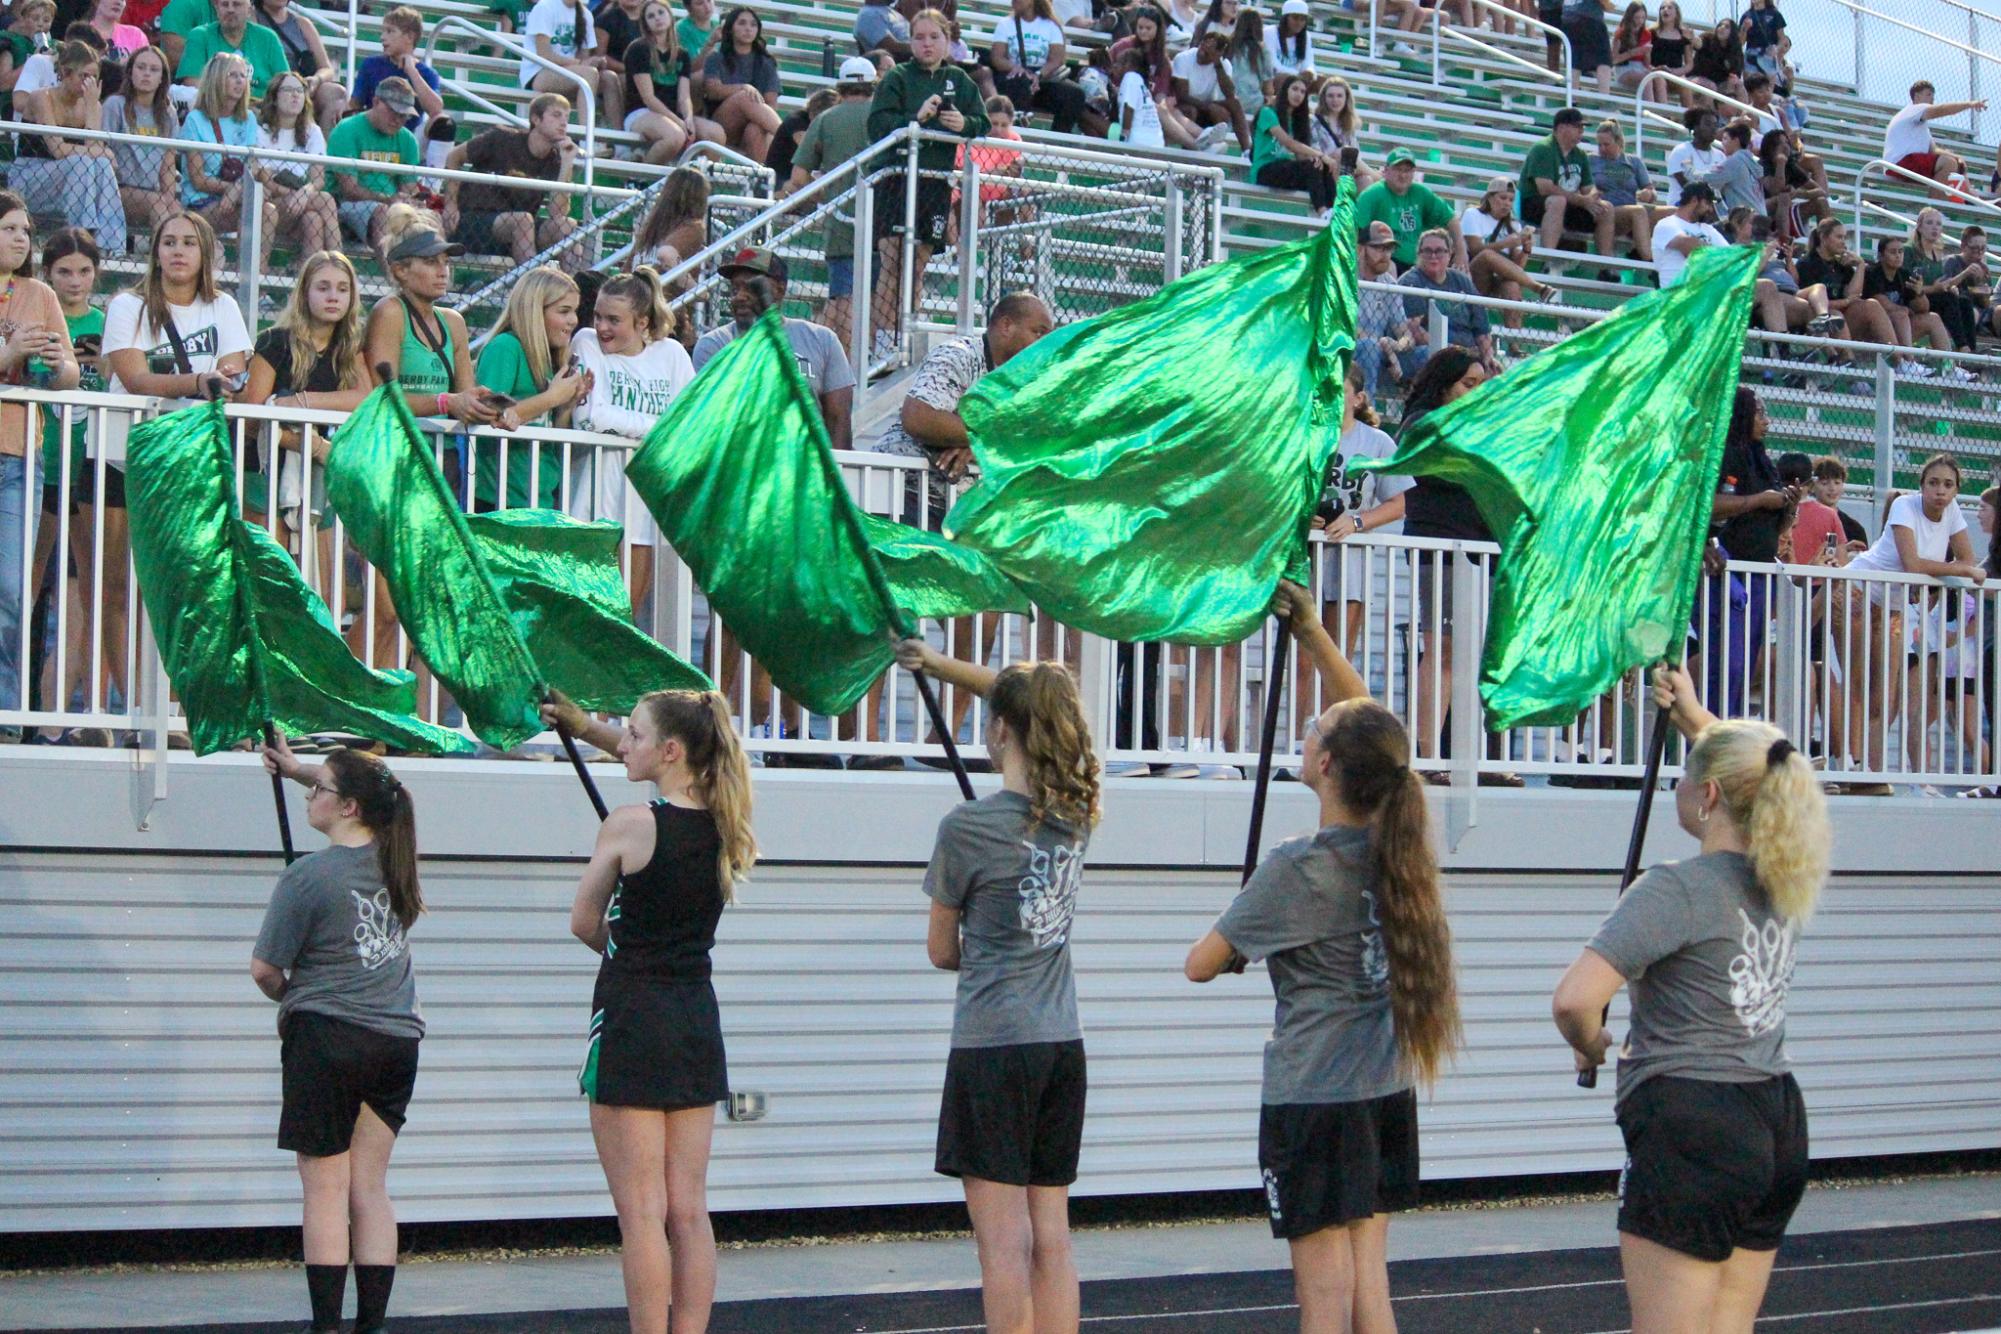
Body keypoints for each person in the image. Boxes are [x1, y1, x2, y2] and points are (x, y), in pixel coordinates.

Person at [1187, 579, 1459, 1334]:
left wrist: (1243, 938)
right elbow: (1381, 736)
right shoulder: (1402, 843)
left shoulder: (1296, 867)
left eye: (1312, 732)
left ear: (1329, 764)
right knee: (1368, 1286)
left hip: (1312, 1096)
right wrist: (1310, 634)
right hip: (1379, 1091)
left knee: (1321, 1301)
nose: (1301, 739)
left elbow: (1199, 962)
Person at [1553, 664, 1827, 1334]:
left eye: (1686, 776)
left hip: (1690, 1119)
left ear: (1706, 795)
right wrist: (1694, 717)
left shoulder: (1674, 888)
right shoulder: (1786, 871)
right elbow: (1759, 777)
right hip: (1773, 1116)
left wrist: (1592, 1044)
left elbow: (1573, 1000)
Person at [893, 637, 1100, 1334]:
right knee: (1051, 1235)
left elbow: (938, 950)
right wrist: (941, 666)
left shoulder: (967, 827)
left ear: (1001, 728)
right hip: (1059, 1044)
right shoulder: (1074, 816)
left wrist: (981, 952)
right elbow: (1031, 692)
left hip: (992, 1045)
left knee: (1000, 1245)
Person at [542, 687, 756, 1334]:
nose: (621, 743)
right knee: (687, 1208)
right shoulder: (727, 820)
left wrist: (624, 942)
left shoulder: (630, 823)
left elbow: (583, 923)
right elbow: (655, 760)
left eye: (632, 734)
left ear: (669, 750)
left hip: (633, 1014)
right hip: (694, 1017)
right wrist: (586, 727)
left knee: (640, 1210)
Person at [253, 738, 427, 1334]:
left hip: (327, 1037)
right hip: (395, 1039)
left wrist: (294, 996)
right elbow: (376, 795)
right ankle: (371, 1325)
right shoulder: (399, 864)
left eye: (320, 789)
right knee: (370, 1186)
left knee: (324, 1191)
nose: (311, 796)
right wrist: (301, 769)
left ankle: (326, 1326)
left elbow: (265, 970)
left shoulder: (307, 878)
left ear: (349, 807)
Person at [358, 206, 508, 663]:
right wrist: (448, 404)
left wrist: (486, 405)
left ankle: (405, 724)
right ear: (401, 270)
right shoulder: (389, 312)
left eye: (446, 261)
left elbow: (463, 393)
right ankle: (352, 712)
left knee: (424, 606)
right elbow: (383, 395)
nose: (444, 269)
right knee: (385, 609)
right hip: (395, 467)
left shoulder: (455, 323)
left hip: (440, 471)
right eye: (431, 261)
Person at [1837, 454, 1986, 777]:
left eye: (1948, 485)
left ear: (1957, 490)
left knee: (1885, 695)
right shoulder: (1905, 506)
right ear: (1921, 486)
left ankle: (1874, 776)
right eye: (1933, 483)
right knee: (1858, 683)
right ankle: (1847, 764)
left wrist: (1956, 568)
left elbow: (1969, 556)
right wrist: (1957, 568)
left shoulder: (1953, 512)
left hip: (1894, 607)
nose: (1940, 491)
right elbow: (1914, 565)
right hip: (1858, 591)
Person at [0, 195, 81, 737]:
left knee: (10, 586)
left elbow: (71, 377)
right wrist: (8, 355)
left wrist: (56, 364)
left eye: (25, 231)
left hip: (19, 454)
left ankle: (4, 707)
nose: (21, 239)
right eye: (8, 229)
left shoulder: (41, 294)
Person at [573, 267, 695, 615]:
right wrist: (660, 429)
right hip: (592, 503)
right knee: (586, 619)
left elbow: (686, 427)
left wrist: (636, 425)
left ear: (642, 322)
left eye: (614, 319)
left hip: (644, 509)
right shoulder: (585, 342)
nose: (601, 327)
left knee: (624, 620)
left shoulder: (671, 354)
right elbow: (590, 417)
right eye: (598, 316)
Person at [242, 250, 374, 568]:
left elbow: (364, 398)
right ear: (304, 293)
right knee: (273, 579)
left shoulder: (350, 348)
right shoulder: (274, 342)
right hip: (266, 471)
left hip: (319, 477)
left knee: (330, 596)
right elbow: (251, 418)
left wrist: (301, 402)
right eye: (323, 287)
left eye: (343, 289)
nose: (333, 297)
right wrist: (313, 445)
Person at [868, 9, 988, 354]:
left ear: (947, 41)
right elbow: (877, 126)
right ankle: (883, 345)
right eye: (919, 37)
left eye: (934, 37)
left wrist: (961, 124)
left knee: (918, 265)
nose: (927, 44)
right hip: (897, 178)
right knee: (892, 262)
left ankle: (906, 337)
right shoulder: (898, 77)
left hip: (934, 182)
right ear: (910, 42)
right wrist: (914, 120)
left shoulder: (961, 81)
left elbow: (981, 121)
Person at [27, 228, 106, 741]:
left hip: (91, 471)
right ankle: (23, 704)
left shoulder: (109, 323)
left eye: (84, 271)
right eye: (63, 272)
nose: (75, 282)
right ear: (47, 274)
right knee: (27, 587)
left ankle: (59, 717)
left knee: (83, 592)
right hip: (40, 463)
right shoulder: (36, 316)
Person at [469, 265, 587, 512]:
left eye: (574, 311)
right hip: (498, 498)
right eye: (564, 311)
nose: (573, 320)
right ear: (534, 311)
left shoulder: (550, 359)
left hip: (541, 498)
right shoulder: (506, 347)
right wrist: (551, 397)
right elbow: (487, 413)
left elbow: (552, 434)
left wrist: (566, 405)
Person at [1314, 364, 1411, 654]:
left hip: (1350, 563)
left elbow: (1401, 502)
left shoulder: (1376, 442)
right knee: (1303, 663)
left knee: (1337, 656)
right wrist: (1302, 518)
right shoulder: (1304, 437)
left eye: (1339, 391)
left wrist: (1355, 522)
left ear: (1357, 399)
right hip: (1304, 559)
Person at [790, 56, 880, 352]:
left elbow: (799, 177)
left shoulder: (825, 119)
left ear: (841, 87)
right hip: (884, 220)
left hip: (841, 221)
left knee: (844, 296)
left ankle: (845, 362)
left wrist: (828, 194)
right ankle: (871, 357)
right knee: (878, 294)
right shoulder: (886, 117)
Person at [11, 39, 128, 255]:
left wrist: (92, 108)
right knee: (83, 162)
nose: (89, 83)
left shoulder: (93, 106)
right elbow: (58, 149)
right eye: (84, 76)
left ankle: (112, 245)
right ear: (65, 73)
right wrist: (101, 152)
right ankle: (83, 238)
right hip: (30, 177)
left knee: (100, 165)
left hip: (71, 180)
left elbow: (97, 154)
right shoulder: (42, 98)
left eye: (93, 77)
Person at [443, 93, 581, 266]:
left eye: (567, 117)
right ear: (535, 119)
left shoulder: (556, 159)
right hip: (475, 222)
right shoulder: (501, 139)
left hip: (523, 235)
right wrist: (449, 204)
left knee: (567, 225)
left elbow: (557, 213)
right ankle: (532, 288)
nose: (564, 123)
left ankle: (579, 289)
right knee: (523, 220)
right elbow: (454, 157)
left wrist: (567, 163)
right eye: (556, 115)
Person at [178, 53, 277, 247]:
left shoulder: (248, 118)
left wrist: (238, 189)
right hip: (202, 201)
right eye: (233, 75)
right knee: (254, 211)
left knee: (268, 211)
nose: (240, 81)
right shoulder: (195, 120)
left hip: (238, 196)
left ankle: (259, 274)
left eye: (243, 75)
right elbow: (198, 180)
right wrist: (232, 189)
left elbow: (252, 164)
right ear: (216, 79)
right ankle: (244, 275)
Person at [1795, 219, 1909, 370]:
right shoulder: (1807, 264)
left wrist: (1860, 265)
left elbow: (1854, 296)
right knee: (1835, 314)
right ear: (1823, 238)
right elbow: (1809, 303)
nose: (1843, 242)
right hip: (1817, 326)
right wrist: (1844, 302)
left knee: (1871, 305)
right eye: (1839, 237)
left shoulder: (1842, 266)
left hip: (1844, 323)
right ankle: (1850, 365)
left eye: (1845, 237)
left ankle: (1900, 362)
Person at [326, 78, 422, 251]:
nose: (398, 120)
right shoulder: (348, 129)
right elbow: (348, 190)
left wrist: (405, 200)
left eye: (403, 115)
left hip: (389, 206)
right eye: (393, 112)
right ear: (376, 101)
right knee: (383, 213)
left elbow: (408, 188)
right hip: (344, 203)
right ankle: (393, 277)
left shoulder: (408, 140)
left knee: (430, 219)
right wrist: (387, 200)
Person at [253, 70, 338, 258]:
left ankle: (309, 279)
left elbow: (318, 179)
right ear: (274, 97)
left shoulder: (313, 132)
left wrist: (304, 193)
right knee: (326, 200)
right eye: (288, 90)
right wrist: (294, 195)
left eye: (300, 91)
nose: (295, 95)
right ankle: (341, 263)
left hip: (301, 202)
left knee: (314, 219)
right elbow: (265, 179)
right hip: (272, 203)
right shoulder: (261, 131)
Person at [624, 0, 719, 165]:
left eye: (661, 13)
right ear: (645, 23)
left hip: (673, 113)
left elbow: (684, 96)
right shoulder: (638, 49)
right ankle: (638, 180)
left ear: (670, 15)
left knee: (716, 133)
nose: (657, 18)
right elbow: (649, 98)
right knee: (675, 136)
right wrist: (678, 121)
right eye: (651, 16)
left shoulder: (681, 54)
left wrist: (688, 118)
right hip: (641, 112)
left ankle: (699, 183)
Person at [100, 44, 180, 238]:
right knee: (158, 205)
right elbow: (102, 150)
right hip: (118, 190)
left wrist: (170, 200)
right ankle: (159, 263)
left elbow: (168, 166)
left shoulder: (168, 114)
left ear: (162, 78)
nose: (146, 74)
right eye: (141, 67)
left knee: (180, 216)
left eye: (154, 70)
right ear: (130, 72)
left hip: (153, 192)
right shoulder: (114, 105)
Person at [990, 0, 1101, 137]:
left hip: (1044, 79)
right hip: (1013, 77)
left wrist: (1038, 75)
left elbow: (1057, 59)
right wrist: (1018, 69)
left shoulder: (1051, 26)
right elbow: (997, 57)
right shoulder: (1006, 24)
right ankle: (1015, 134)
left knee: (1075, 94)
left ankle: (1059, 140)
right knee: (1021, 83)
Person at [1865, 235, 1966, 379]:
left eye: (1900, 251)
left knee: (1933, 318)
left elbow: (1923, 308)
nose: (1898, 256)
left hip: (1900, 330)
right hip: (1876, 333)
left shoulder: (1905, 275)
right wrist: (1905, 310)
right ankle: (1908, 363)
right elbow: (1884, 305)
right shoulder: (1872, 273)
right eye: (1893, 252)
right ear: (1881, 255)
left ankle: (1949, 368)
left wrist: (1919, 292)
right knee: (1900, 314)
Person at [1399, 227, 1497, 375]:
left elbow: (1482, 330)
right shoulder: (1411, 282)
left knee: (1495, 370)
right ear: (1419, 254)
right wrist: (1454, 352)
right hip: (1433, 351)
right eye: (1427, 251)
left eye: (1439, 251)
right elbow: (1415, 331)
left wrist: (1488, 355)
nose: (1433, 256)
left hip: (1468, 353)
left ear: (1449, 254)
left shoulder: (1462, 281)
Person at [350, 7, 449, 152]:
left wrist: (412, 72)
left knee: (444, 123)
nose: (382, 37)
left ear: (409, 37)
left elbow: (436, 109)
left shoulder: (427, 73)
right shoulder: (371, 65)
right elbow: (353, 106)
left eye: (390, 31)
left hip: (409, 138)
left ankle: (433, 174)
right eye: (383, 31)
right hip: (372, 133)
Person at [1519, 106, 1613, 257]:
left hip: (1569, 204)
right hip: (1534, 204)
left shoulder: (1580, 155)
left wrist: (1593, 197)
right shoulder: (1543, 149)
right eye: (1578, 127)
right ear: (1562, 128)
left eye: (1582, 127)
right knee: (1558, 201)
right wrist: (1582, 200)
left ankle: (1606, 264)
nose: (1582, 131)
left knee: (1606, 207)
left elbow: (1588, 187)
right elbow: (1545, 188)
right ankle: (1548, 257)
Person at [1356, 148, 1460, 273]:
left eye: (1407, 170)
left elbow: (1451, 219)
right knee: (1390, 268)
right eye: (1398, 169)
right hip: (1388, 259)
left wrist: (1461, 253)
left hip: (1420, 261)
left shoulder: (1421, 192)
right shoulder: (1372, 194)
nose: (1403, 175)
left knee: (1456, 269)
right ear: (1386, 170)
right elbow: (1356, 228)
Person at [1251, 73, 1337, 216]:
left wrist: (1317, 160)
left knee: (1320, 166)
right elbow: (1288, 143)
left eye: (1303, 92)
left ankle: (1334, 210)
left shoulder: (1297, 120)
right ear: (1285, 91)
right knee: (1315, 163)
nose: (1298, 94)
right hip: (1264, 170)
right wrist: (1320, 154)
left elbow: (1300, 156)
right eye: (1295, 89)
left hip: (1283, 168)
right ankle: (1323, 213)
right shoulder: (1267, 112)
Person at [520, 0, 619, 125]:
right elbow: (544, 54)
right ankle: (586, 133)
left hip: (570, 72)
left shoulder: (586, 15)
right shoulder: (544, 7)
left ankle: (619, 140)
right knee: (589, 74)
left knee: (610, 78)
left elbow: (584, 56)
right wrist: (581, 63)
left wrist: (594, 62)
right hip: (538, 72)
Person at [701, 6, 780, 160]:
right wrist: (742, 87)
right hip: (723, 124)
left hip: (751, 126)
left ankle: (763, 180)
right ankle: (788, 137)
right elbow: (712, 91)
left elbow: (771, 103)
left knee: (756, 129)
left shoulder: (766, 62)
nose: (748, 28)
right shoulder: (716, 58)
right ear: (730, 29)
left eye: (753, 24)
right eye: (742, 23)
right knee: (745, 95)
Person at [253, 0, 345, 131]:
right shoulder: (252, 19)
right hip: (272, 85)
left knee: (335, 92)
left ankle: (324, 147)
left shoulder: (303, 24)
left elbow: (326, 68)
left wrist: (316, 79)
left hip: (304, 86)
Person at [1883, 80, 1985, 191]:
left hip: (1905, 163)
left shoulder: (1920, 126)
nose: (1932, 99)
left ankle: (1970, 196)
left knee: (1953, 162)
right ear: (1917, 97)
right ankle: (1937, 204)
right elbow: (1941, 110)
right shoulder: (1913, 109)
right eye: (1928, 94)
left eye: (1933, 95)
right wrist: (1969, 104)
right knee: (1947, 163)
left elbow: (1933, 150)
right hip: (1900, 163)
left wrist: (1957, 158)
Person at [174, 0, 286, 99]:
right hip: (214, 114)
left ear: (249, 10)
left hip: (263, 114)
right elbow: (193, 88)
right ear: (217, 9)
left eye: (237, 4)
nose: (230, 9)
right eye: (225, 4)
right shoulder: (200, 36)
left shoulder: (268, 38)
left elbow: (285, 85)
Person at [1909, 207, 1983, 355]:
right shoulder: (1909, 251)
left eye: (1938, 224)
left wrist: (1947, 287)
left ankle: (1971, 351)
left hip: (1932, 299)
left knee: (1964, 302)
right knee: (1948, 299)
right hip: (1914, 300)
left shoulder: (1937, 255)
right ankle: (1963, 347)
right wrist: (1936, 288)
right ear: (1919, 226)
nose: (1935, 227)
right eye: (1929, 223)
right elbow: (1910, 287)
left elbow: (1941, 284)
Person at [1353, 220, 1411, 397]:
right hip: (1347, 351)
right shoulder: (1344, 278)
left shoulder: (1390, 284)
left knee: (1425, 354)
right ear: (1360, 249)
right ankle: (1365, 411)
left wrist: (1397, 346)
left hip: (1383, 353)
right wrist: (1385, 349)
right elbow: (1347, 327)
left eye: (1389, 249)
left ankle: (1420, 418)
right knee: (1369, 346)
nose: (1385, 255)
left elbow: (1405, 334)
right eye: (1378, 248)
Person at [1588, 119, 1656, 263]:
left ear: (1618, 142)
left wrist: (1648, 193)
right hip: (1607, 210)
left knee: (1672, 213)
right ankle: (1649, 260)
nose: (1602, 149)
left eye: (1606, 144)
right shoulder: (1591, 160)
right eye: (1599, 144)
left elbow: (1650, 189)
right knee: (1638, 211)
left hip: (1629, 206)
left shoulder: (1633, 162)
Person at [1169, 25, 1244, 151]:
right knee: (1191, 111)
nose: (1202, 53)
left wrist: (1217, 65)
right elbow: (1182, 95)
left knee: (1232, 105)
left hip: (1205, 105)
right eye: (1202, 47)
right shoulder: (1184, 58)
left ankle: (1245, 148)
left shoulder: (1223, 65)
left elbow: (1230, 94)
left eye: (1208, 52)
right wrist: (1208, 106)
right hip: (1184, 105)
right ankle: (1190, 150)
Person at [1650, 180, 1726, 290]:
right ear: (1694, 200)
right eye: (1708, 203)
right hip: (1676, 296)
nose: (1710, 209)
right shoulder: (1667, 224)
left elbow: (1731, 255)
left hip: (1704, 294)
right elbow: (1692, 250)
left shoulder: (1708, 229)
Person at [632, 165, 709, 270]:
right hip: (656, 285)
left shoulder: (651, 226)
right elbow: (666, 256)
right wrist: (693, 285)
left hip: (640, 284)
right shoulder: (692, 229)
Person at [1308, 77, 1374, 190]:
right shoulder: (1314, 121)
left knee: (1366, 180)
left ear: (1346, 99)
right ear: (1324, 98)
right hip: (1323, 171)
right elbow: (1314, 152)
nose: (1335, 100)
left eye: (1339, 96)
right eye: (1331, 96)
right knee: (1342, 153)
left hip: (1346, 173)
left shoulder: (1347, 125)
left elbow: (1356, 157)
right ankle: (1380, 178)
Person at [1942, 224, 2000, 342]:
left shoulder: (1983, 268)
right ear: (1963, 246)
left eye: (1983, 248)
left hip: (1981, 314)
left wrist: (1980, 286)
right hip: (1957, 307)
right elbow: (1944, 286)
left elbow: (1985, 303)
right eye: (1975, 248)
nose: (1979, 252)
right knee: (1971, 312)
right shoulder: (1952, 261)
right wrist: (1965, 273)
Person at [1558, 0, 1617, 96]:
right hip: (1590, 17)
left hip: (1569, 17)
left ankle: (1572, 99)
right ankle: (1605, 99)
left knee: (1574, 62)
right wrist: (1607, 5)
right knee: (1604, 61)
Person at [1686, 15, 1742, 105]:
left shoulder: (1735, 51)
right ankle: (1711, 117)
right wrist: (1692, 38)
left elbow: (1735, 74)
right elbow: (1699, 43)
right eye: (1720, 25)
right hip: (1696, 79)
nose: (1722, 28)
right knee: (1710, 86)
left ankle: (1742, 116)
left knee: (1739, 86)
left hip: (1719, 84)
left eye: (1727, 27)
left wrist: (1733, 82)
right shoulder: (1708, 38)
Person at [1647, 0, 1693, 105]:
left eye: (1669, 8)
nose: (1665, 10)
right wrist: (1655, 69)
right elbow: (1646, 58)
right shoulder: (1651, 33)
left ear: (1677, 13)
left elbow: (1689, 64)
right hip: (1656, 73)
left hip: (1675, 74)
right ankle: (1664, 116)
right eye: (1662, 8)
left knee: (1685, 83)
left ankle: (1690, 118)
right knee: (1660, 79)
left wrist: (1674, 72)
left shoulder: (1683, 35)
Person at [1266, 0, 1316, 88]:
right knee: (1283, 78)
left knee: (1322, 81)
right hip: (1273, 80)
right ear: (1285, 18)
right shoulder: (1270, 32)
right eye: (1295, 18)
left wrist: (1309, 72)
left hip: (1298, 79)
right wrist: (1298, 75)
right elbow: (1272, 64)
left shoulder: (1306, 36)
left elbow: (1308, 62)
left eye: (1303, 19)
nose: (1299, 23)